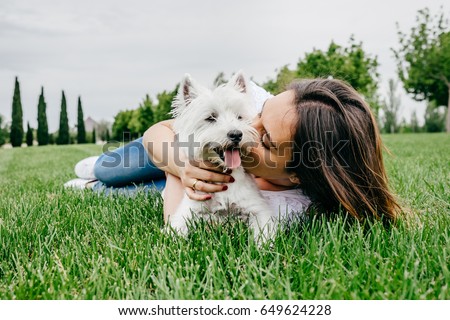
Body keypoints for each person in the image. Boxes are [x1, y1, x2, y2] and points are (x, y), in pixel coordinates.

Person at [69, 78, 401, 225]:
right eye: (261, 111)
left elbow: (176, 219)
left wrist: (185, 184)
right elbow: (163, 130)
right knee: (110, 171)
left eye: (266, 139)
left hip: (199, 185)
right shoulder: (249, 106)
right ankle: (96, 168)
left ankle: (90, 188)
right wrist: (181, 165)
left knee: (124, 194)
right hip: (176, 148)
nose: (248, 128)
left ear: (298, 172)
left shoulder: (288, 207)